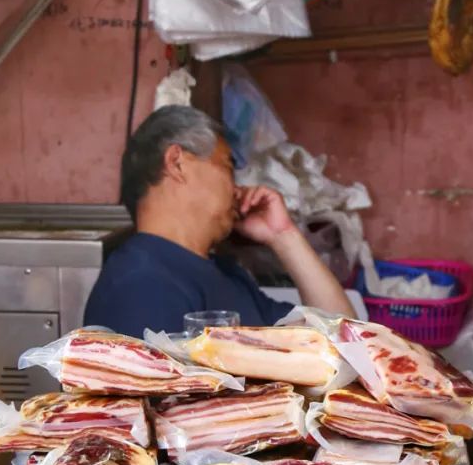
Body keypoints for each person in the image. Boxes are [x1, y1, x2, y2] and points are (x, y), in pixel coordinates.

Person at [84, 105, 353, 336]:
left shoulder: (223, 272)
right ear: (177, 163)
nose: (238, 188)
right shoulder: (141, 283)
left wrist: (283, 235)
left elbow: (344, 337)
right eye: (227, 166)